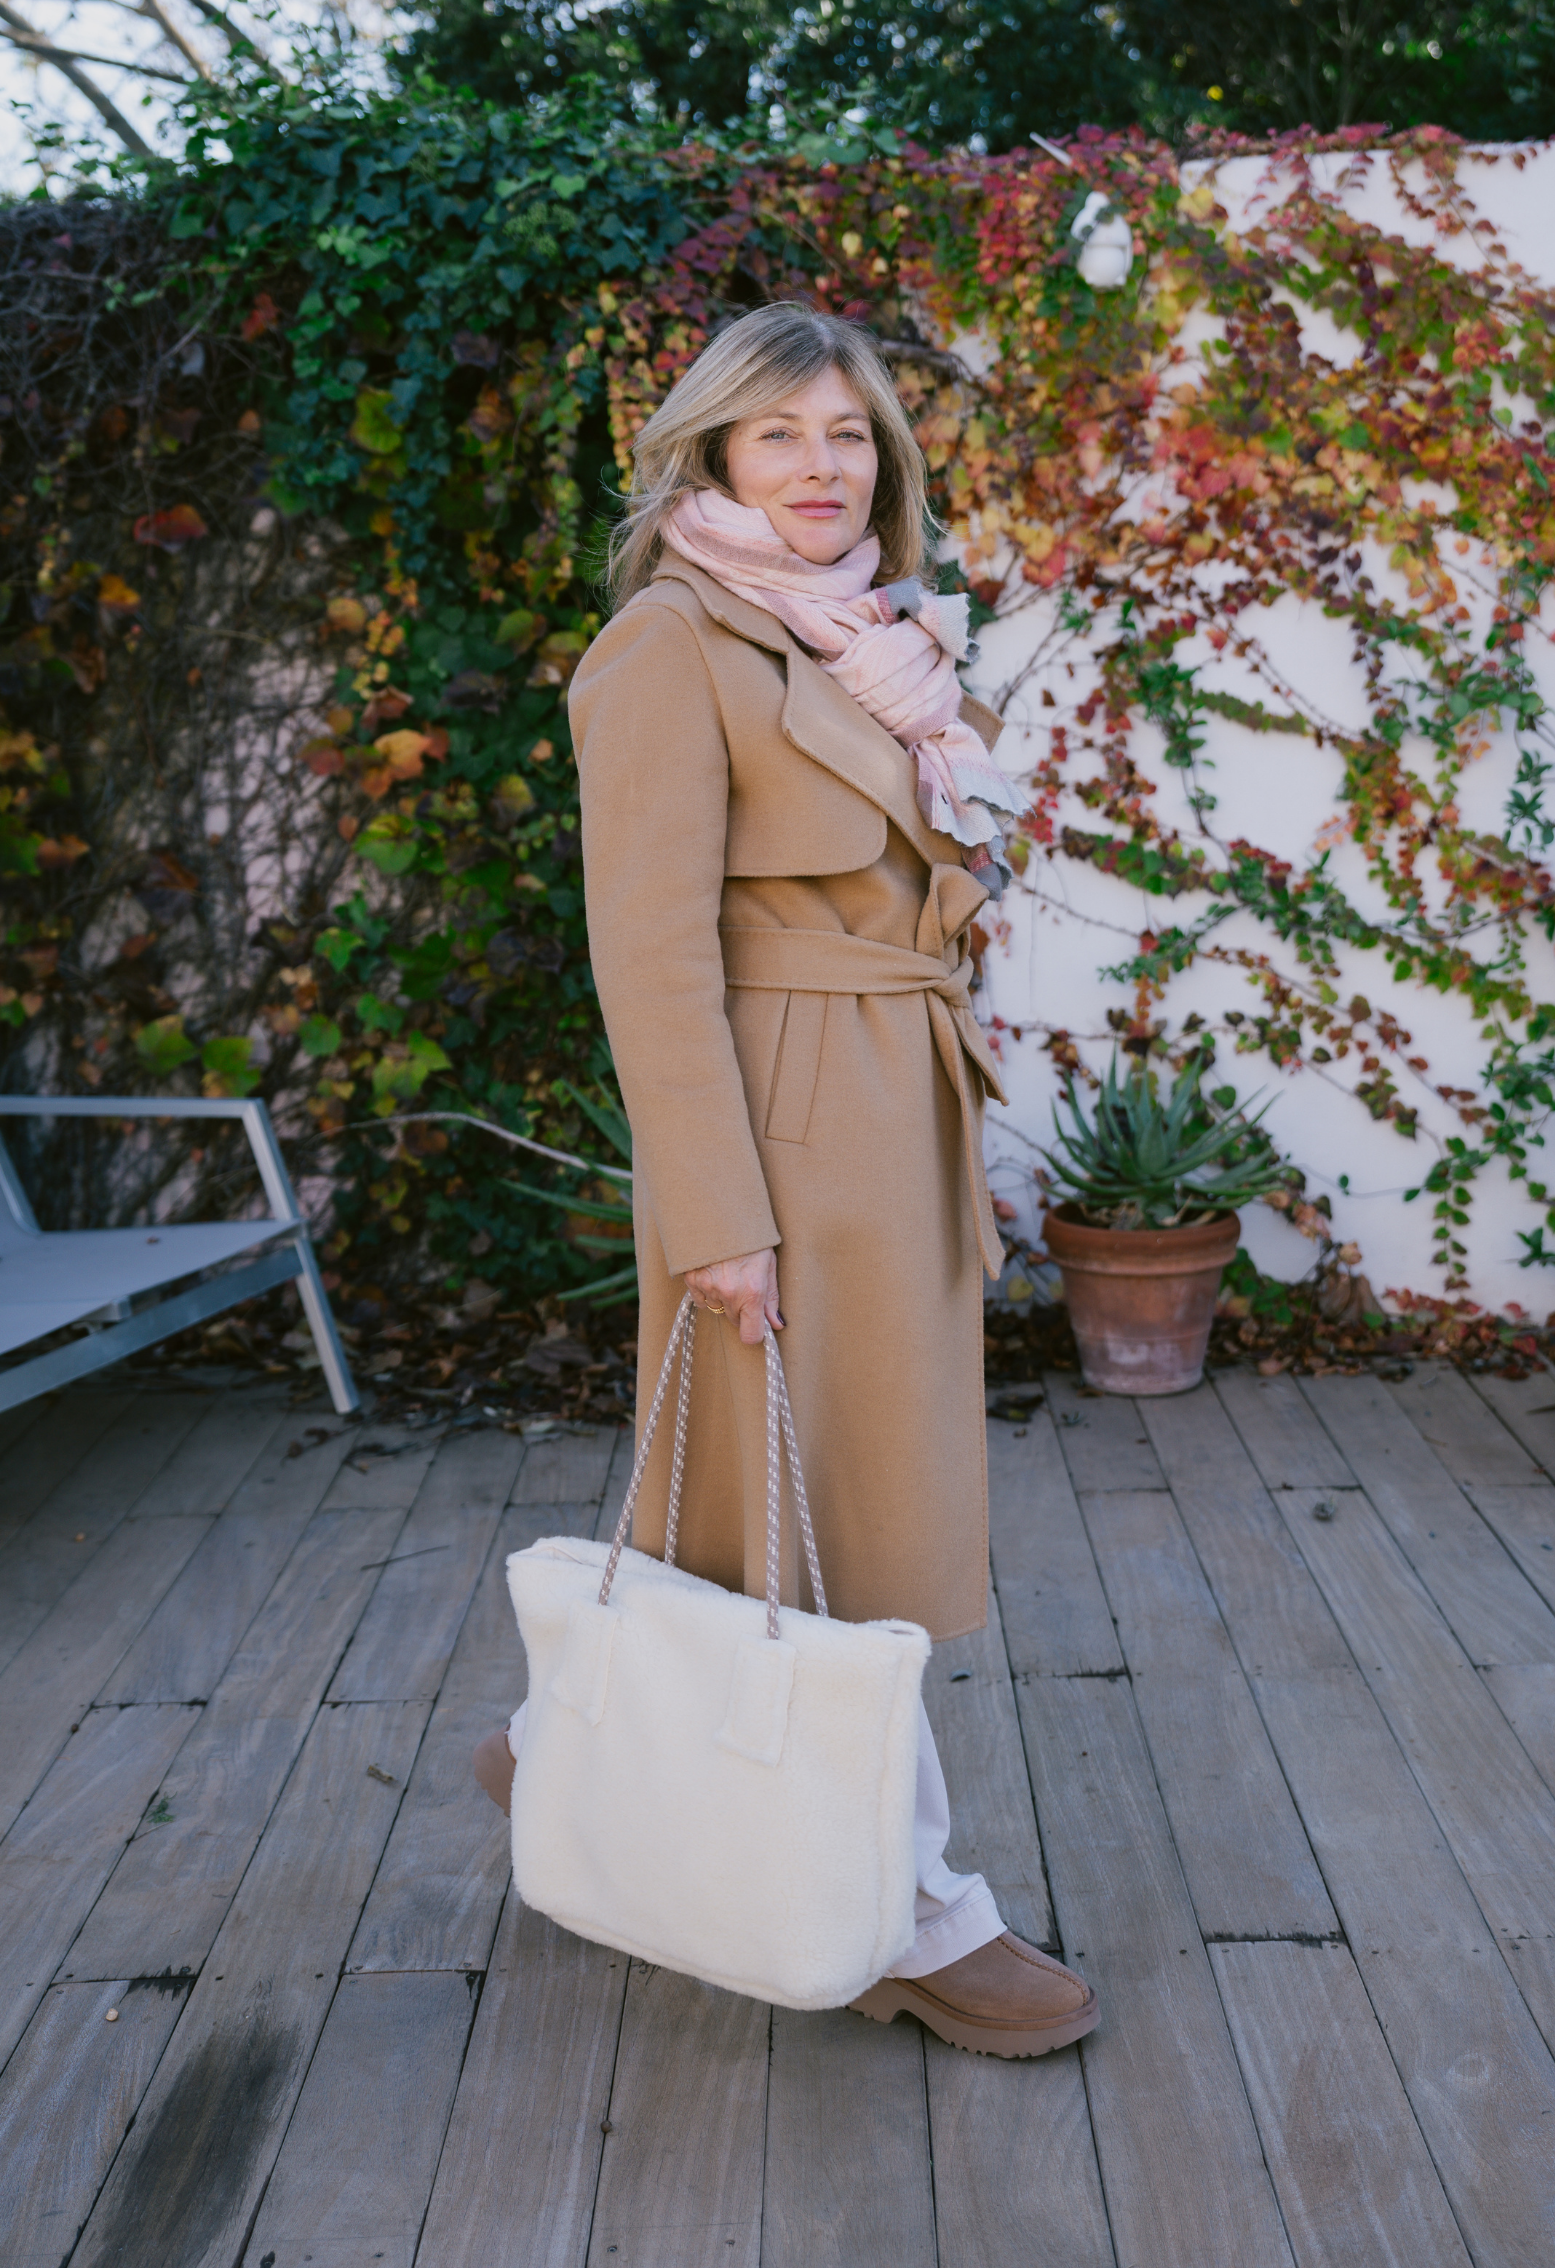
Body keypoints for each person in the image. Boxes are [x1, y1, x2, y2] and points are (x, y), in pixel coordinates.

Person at [474, 301, 1098, 2059]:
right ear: (710, 456)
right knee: (841, 1518)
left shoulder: (862, 640)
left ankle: (568, 1744)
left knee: (780, 1492)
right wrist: (722, 1216)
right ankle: (909, 1907)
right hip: (780, 1126)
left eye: (847, 436)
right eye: (779, 437)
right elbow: (647, 959)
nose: (819, 470)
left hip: (893, 1097)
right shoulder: (669, 646)